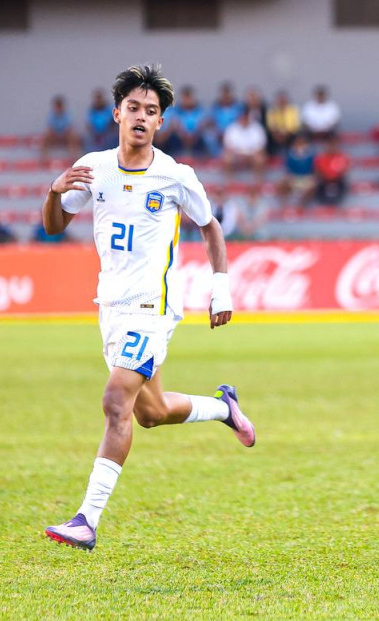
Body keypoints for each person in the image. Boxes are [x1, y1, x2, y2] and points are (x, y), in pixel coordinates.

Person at [41, 64, 256, 552]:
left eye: (151, 110)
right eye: (133, 107)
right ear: (117, 113)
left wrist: (221, 287)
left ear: (161, 122)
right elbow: (54, 226)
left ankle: (86, 520)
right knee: (151, 412)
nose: (141, 116)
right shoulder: (93, 168)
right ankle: (224, 408)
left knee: (115, 402)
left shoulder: (175, 175)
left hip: (153, 308)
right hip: (111, 307)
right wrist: (54, 191)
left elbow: (210, 226)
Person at [41, 95, 81, 162]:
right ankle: (44, 159)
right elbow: (50, 127)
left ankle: (73, 158)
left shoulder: (67, 115)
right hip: (54, 135)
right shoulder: (51, 115)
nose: (59, 108)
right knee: (45, 138)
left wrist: (63, 134)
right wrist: (56, 134)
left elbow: (69, 127)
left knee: (74, 137)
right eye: (57, 106)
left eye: (60, 106)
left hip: (65, 135)